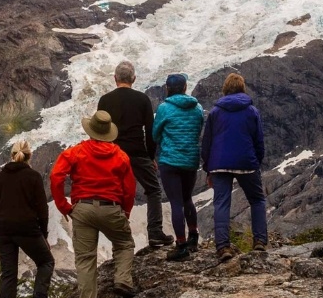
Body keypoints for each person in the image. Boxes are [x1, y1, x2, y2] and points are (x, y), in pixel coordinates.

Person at [50, 110, 138, 298]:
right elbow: (129, 189)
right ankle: (123, 280)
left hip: (82, 208)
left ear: (90, 131)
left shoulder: (75, 151)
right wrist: (125, 212)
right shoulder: (121, 156)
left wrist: (64, 206)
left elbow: (56, 176)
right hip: (111, 207)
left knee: (85, 259)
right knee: (124, 243)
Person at [97, 61, 174, 247]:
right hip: (137, 152)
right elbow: (150, 130)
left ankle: (118, 237)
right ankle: (155, 233)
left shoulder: (105, 100)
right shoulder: (142, 99)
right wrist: (150, 156)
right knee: (153, 190)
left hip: (113, 153)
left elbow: (100, 130)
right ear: (133, 79)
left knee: (114, 193)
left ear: (115, 79)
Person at [201, 73, 268, 262]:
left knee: (221, 203)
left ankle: (223, 247)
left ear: (225, 88)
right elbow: (259, 140)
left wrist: (208, 167)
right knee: (257, 200)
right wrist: (257, 161)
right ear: (242, 88)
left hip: (219, 163)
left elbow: (207, 142)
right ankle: (260, 241)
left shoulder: (215, 112)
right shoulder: (251, 111)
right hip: (246, 162)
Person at [0, 140, 55, 298]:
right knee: (46, 261)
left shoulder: (1, 176)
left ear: (11, 155)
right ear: (29, 155)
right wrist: (44, 235)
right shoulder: (33, 176)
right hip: (26, 229)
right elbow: (42, 209)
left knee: (8, 274)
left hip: (1, 230)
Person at [152, 73, 205, 261]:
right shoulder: (197, 108)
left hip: (170, 161)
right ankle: (193, 236)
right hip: (190, 160)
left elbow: (155, 134)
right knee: (187, 198)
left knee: (176, 202)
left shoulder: (164, 108)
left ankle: (181, 245)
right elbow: (199, 129)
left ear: (167, 88)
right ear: (185, 87)